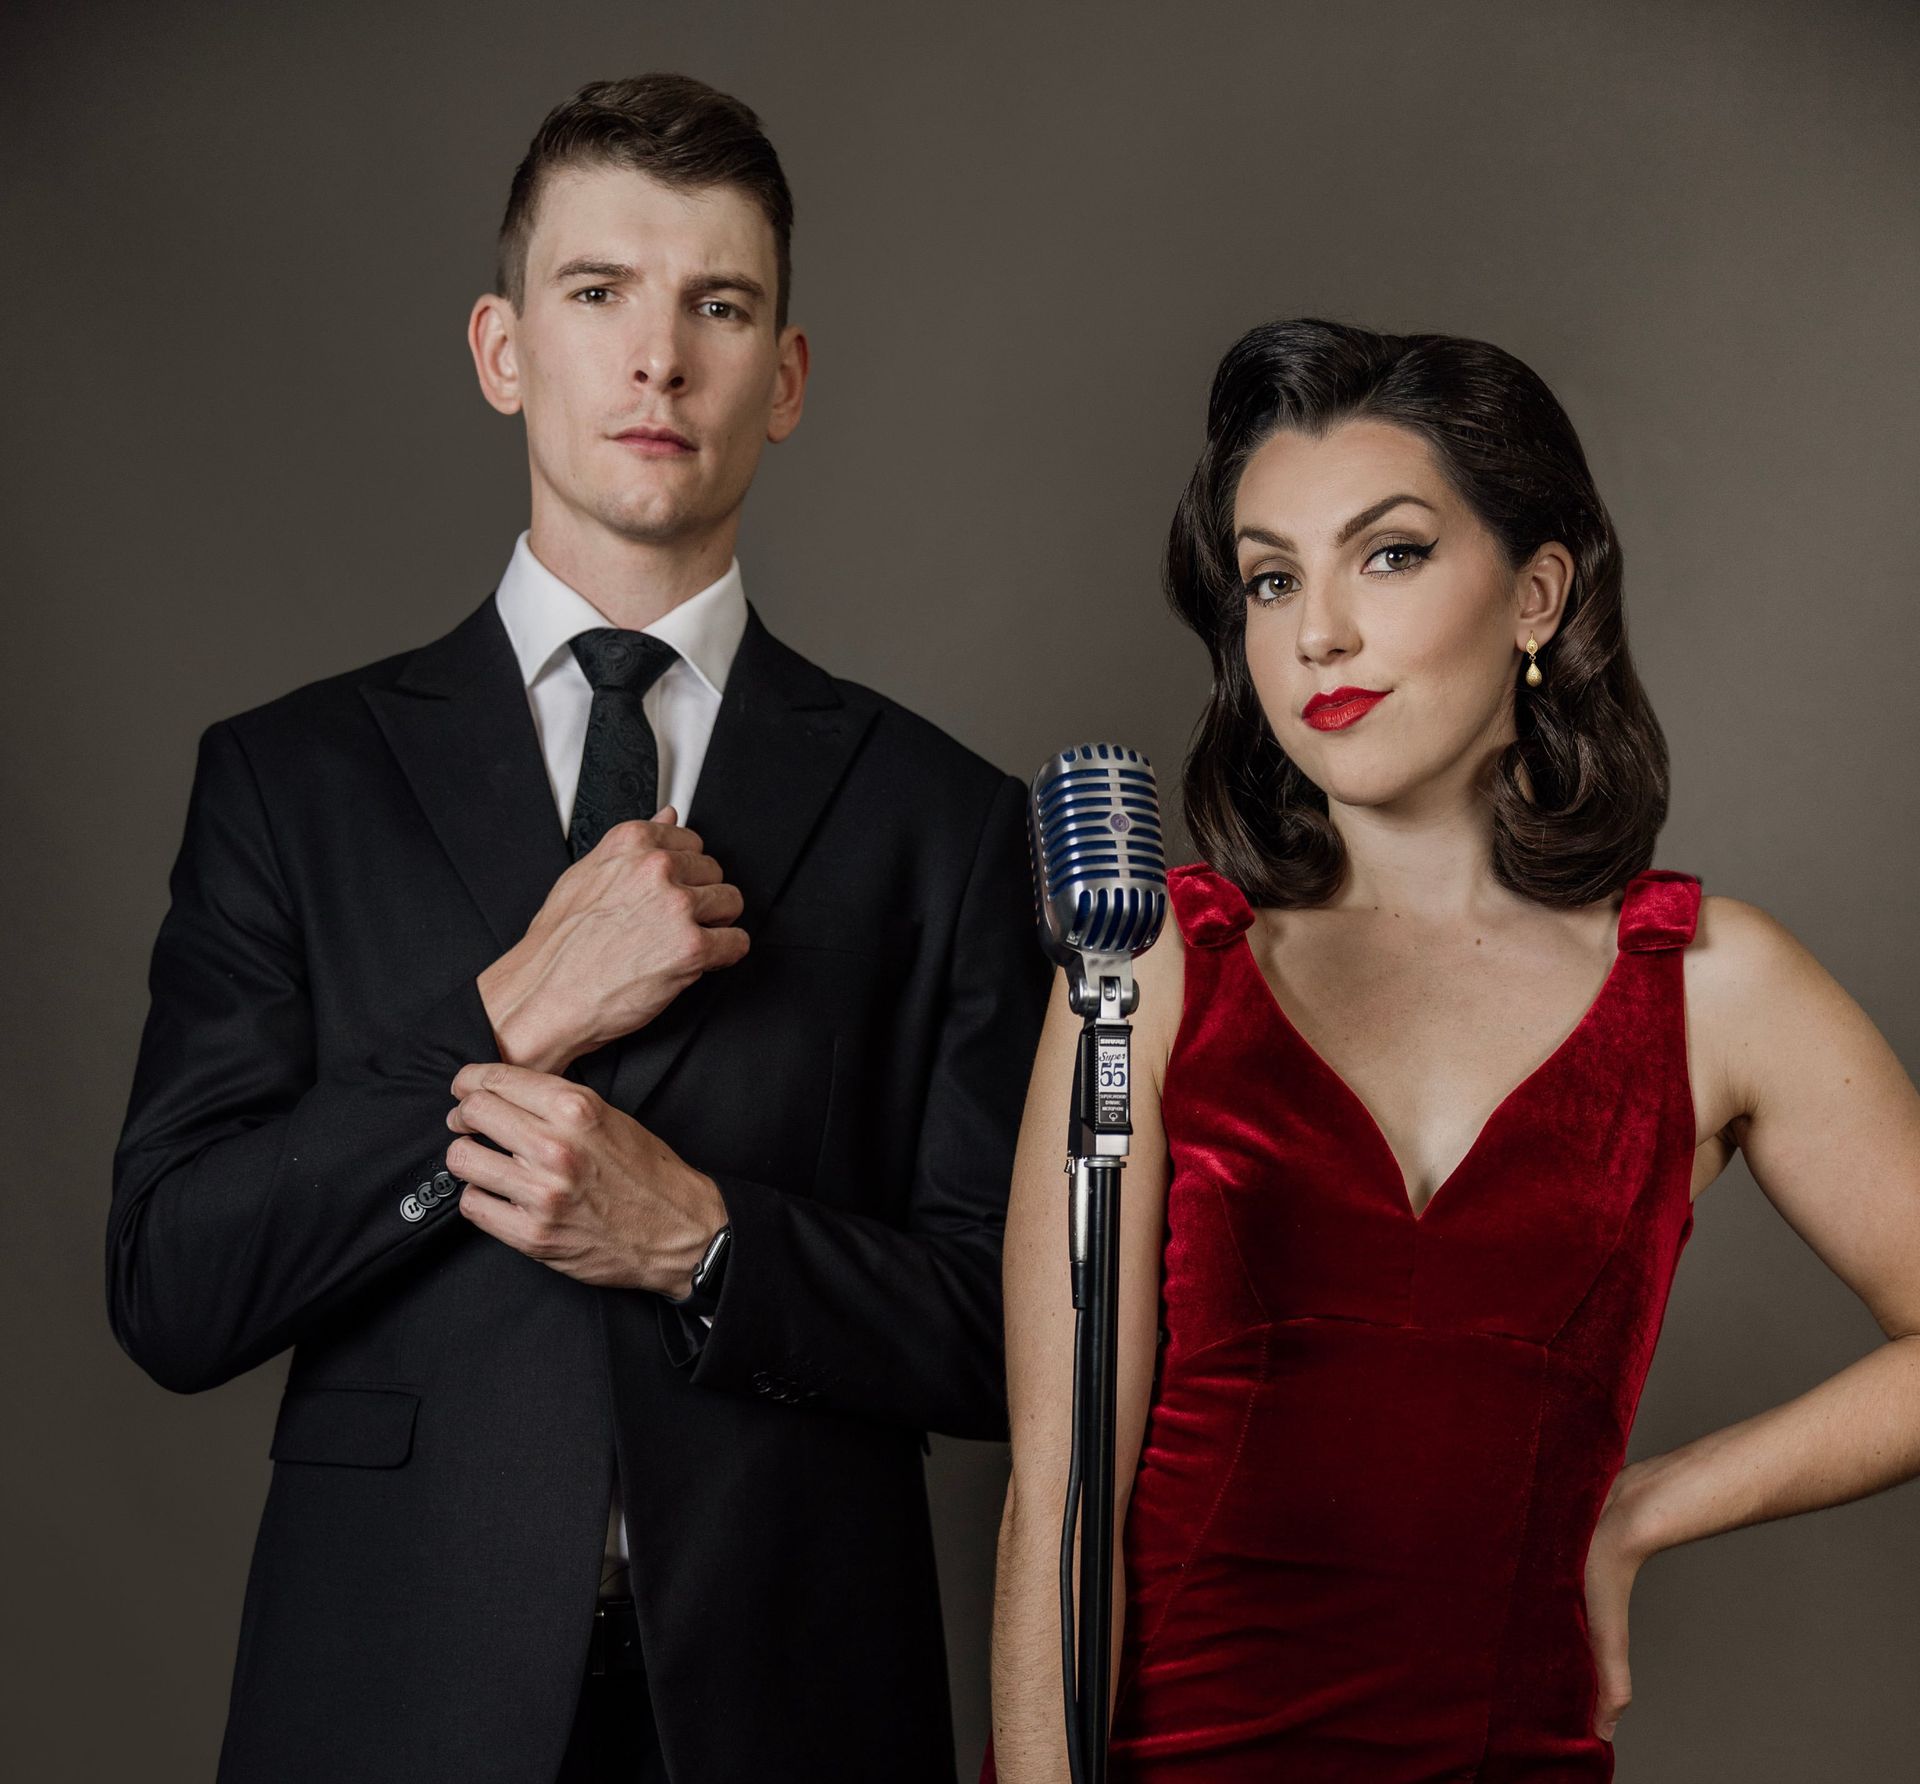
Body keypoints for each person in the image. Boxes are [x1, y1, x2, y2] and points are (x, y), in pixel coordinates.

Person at [108, 73, 1048, 1784]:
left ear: (788, 378)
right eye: (598, 293)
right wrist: (507, 1014)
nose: (658, 357)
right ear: (502, 349)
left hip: (795, 1698)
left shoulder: (952, 817)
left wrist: (704, 1244)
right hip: (391, 1692)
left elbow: (1010, 1339)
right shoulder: (286, 781)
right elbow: (174, 1283)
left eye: (721, 304)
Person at [984, 318, 1920, 1781]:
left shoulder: (1708, 986)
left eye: (1392, 554)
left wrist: (1649, 1504)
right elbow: (1060, 1502)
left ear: (1538, 593)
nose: (1319, 635)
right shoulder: (1156, 966)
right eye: (1272, 578)